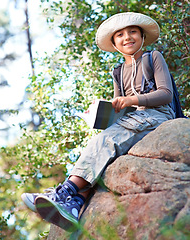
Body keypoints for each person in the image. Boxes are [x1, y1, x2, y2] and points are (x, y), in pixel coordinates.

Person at [21, 12, 175, 231]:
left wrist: (132, 99)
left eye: (132, 32)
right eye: (120, 35)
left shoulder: (153, 58)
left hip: (157, 115)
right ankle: (75, 205)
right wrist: (104, 111)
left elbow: (166, 94)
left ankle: (66, 191)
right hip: (134, 119)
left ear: (142, 36)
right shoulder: (118, 71)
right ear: (114, 44)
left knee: (108, 140)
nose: (127, 37)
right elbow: (121, 110)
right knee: (103, 144)